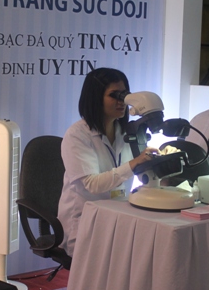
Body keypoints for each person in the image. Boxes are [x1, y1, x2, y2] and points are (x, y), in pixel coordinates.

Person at [57, 67, 158, 257]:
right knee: (127, 256)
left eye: (124, 95)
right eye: (114, 95)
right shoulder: (77, 135)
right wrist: (134, 164)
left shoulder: (127, 132)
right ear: (95, 97)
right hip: (85, 220)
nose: (122, 101)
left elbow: (139, 172)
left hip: (118, 215)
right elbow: (92, 185)